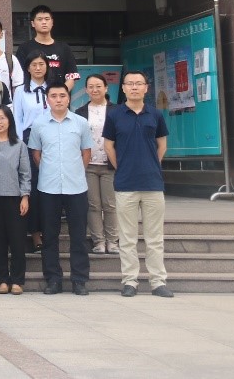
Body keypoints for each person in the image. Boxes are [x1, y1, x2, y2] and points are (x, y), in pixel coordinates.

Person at [104, 70, 173, 298]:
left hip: (153, 183)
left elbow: (162, 145)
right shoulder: (114, 115)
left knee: (155, 238)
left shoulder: (156, 114)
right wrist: (122, 167)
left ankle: (158, 282)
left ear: (146, 88)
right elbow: (108, 146)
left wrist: (152, 164)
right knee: (127, 238)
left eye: (138, 83)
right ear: (123, 88)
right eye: (130, 84)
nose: (134, 87)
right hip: (125, 184)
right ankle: (130, 281)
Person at [29, 83, 92, 296]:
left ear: (68, 98)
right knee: (49, 236)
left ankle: (79, 280)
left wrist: (76, 172)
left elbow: (86, 152)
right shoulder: (39, 124)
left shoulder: (81, 123)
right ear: (47, 100)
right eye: (54, 96)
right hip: (48, 187)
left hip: (76, 187)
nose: (58, 99)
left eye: (62, 96)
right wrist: (49, 171)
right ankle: (53, 279)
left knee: (78, 236)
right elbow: (36, 154)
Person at [0, 106, 30, 294]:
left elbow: (25, 173)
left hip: (15, 198)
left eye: (2, 118)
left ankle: (17, 280)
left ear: (10, 121)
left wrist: (25, 196)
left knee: (17, 241)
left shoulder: (19, 145)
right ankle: (1, 280)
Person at [12, 51, 52, 252]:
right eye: (34, 64)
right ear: (27, 68)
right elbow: (17, 119)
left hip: (52, 139)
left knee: (51, 185)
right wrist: (21, 145)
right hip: (28, 139)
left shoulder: (54, 89)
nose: (38, 68)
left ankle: (50, 230)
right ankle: (35, 233)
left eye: (41, 64)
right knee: (33, 186)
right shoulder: (21, 91)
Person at [76, 74, 118, 255]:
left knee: (110, 204)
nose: (95, 90)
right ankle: (98, 241)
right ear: (86, 90)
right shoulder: (80, 112)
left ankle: (113, 241)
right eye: (91, 86)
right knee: (93, 205)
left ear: (106, 88)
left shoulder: (117, 110)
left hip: (110, 164)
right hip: (88, 165)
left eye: (98, 86)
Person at [15, 5, 79, 93]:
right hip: (32, 96)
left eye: (47, 19)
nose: (44, 22)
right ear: (33, 23)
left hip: (58, 98)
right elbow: (20, 76)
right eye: (40, 19)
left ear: (52, 22)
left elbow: (71, 76)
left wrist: (59, 94)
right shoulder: (24, 48)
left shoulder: (64, 48)